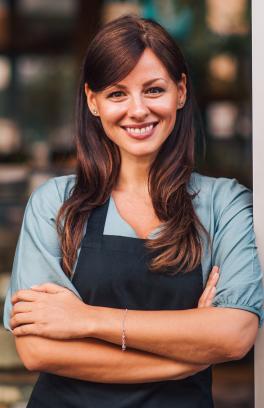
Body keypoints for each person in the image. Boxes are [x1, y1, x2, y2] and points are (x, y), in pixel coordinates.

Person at [3, 14, 263, 407]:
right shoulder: (55, 203)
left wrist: (86, 319)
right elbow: (41, 351)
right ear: (93, 101)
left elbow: (234, 335)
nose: (137, 110)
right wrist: (186, 358)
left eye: (154, 89)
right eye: (117, 94)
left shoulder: (224, 204)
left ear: (180, 91)